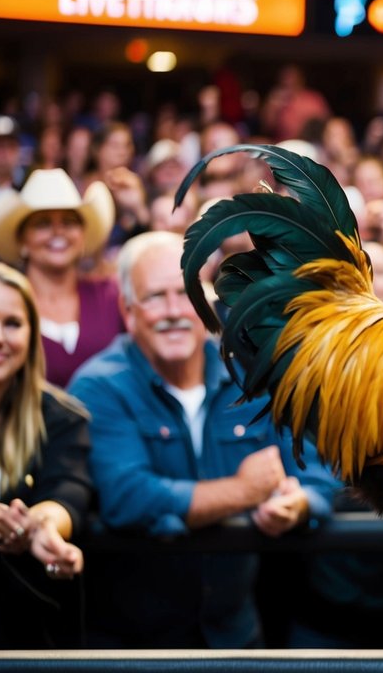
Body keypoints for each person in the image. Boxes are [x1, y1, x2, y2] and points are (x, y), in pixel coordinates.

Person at [69, 231, 335, 648]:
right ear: (128, 309)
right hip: (132, 647)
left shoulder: (249, 371)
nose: (175, 310)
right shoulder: (99, 386)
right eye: (155, 296)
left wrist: (298, 504)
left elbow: (316, 469)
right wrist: (243, 491)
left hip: (236, 636)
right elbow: (128, 497)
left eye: (186, 292)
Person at [0, 262, 92, 649]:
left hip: (26, 630)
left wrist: (40, 525)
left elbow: (69, 486)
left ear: (33, 333)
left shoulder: (64, 416)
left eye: (12, 323)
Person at [0, 168, 122, 386]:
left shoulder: (112, 296)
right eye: (42, 223)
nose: (57, 231)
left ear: (83, 236)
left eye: (69, 222)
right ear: (22, 240)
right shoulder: (3, 304)